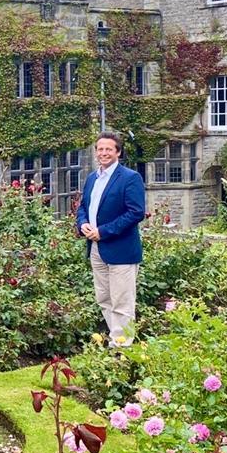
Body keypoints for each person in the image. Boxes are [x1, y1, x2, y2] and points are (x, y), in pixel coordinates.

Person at [76, 132, 147, 347]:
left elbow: (136, 212)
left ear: (118, 152)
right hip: (96, 248)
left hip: (121, 249)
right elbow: (82, 207)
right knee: (104, 299)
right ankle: (118, 339)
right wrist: (83, 224)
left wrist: (104, 231)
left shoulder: (130, 177)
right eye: (100, 149)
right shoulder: (92, 178)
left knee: (122, 302)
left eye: (108, 149)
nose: (103, 153)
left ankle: (121, 347)